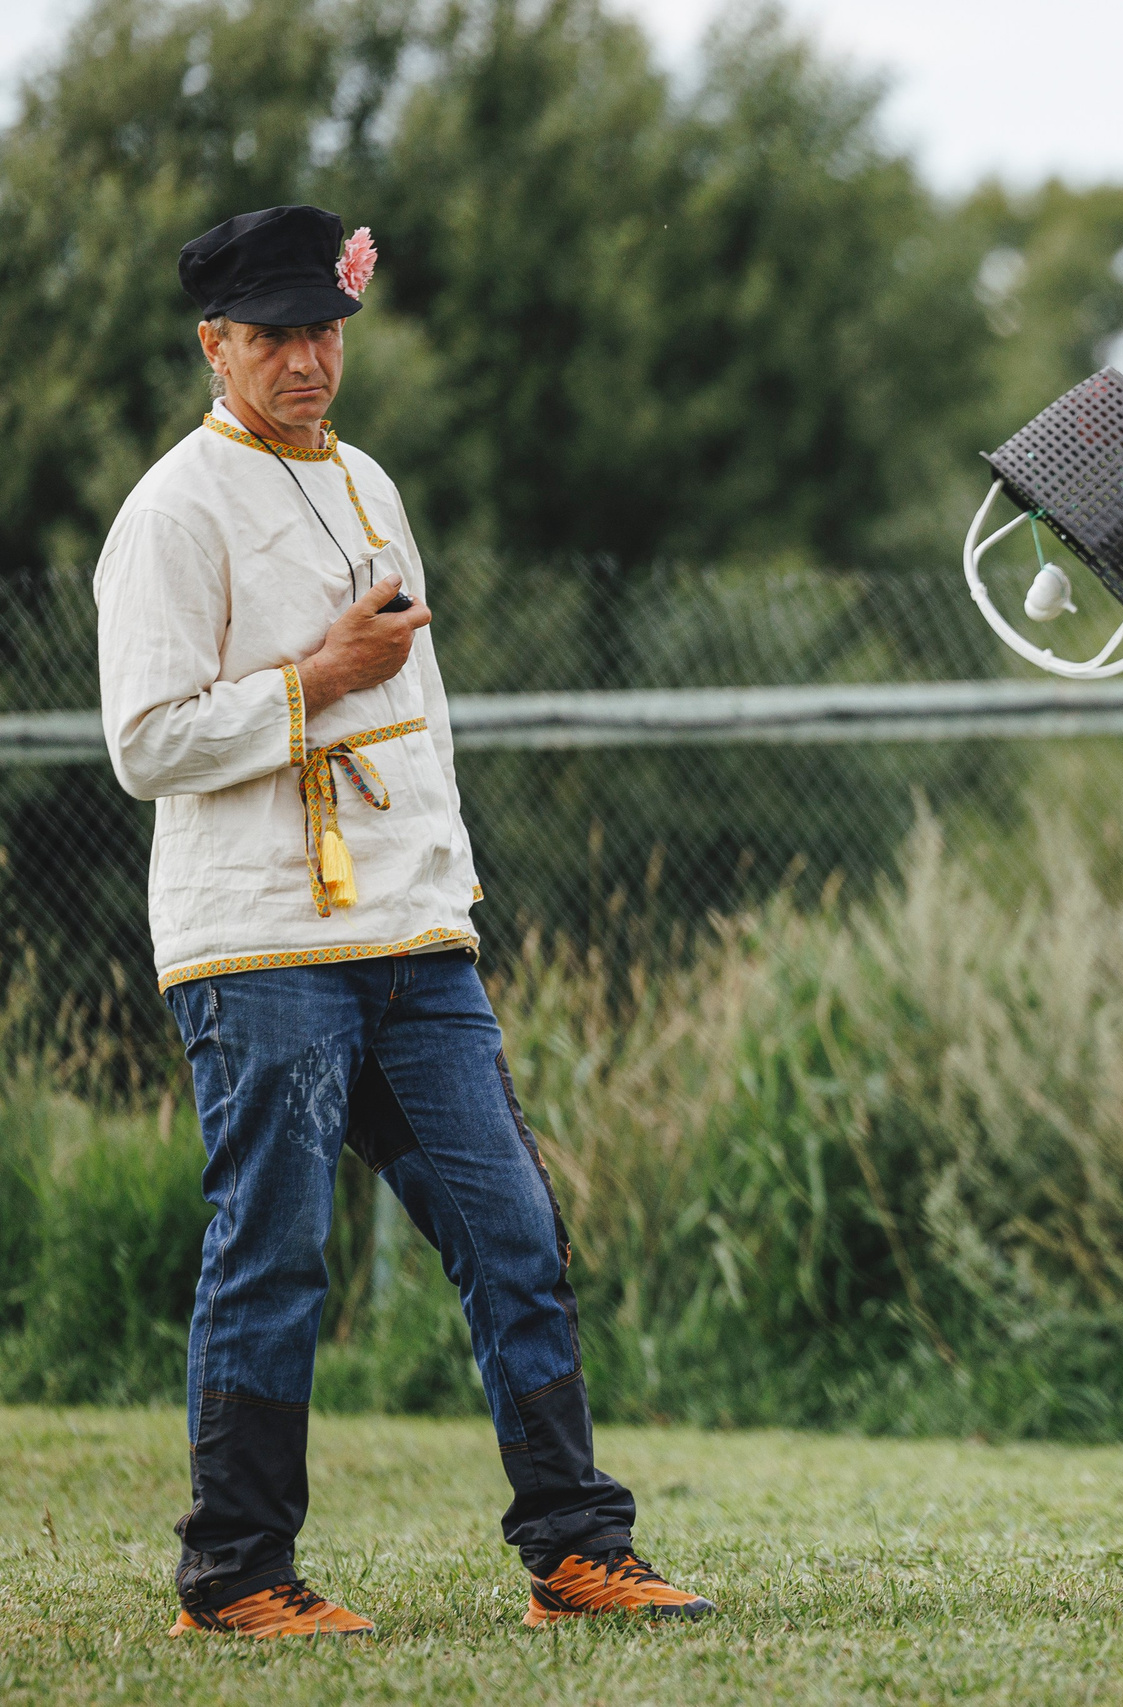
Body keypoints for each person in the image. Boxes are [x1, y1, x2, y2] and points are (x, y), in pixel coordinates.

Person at [93, 205, 715, 1637]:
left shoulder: (368, 477)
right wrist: (314, 678)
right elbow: (144, 744)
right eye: (275, 335)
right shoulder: (171, 510)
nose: (309, 357)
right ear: (215, 344)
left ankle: (576, 1547)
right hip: (260, 944)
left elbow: (413, 715)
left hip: (413, 941)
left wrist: (443, 897)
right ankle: (235, 1572)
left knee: (516, 1229)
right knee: (275, 1247)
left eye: (325, 329)